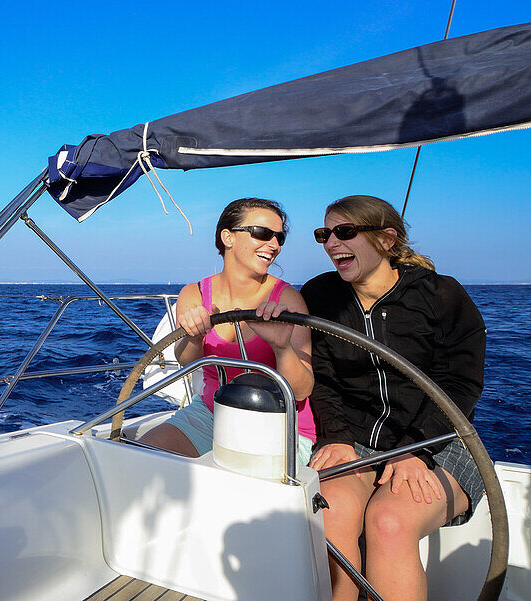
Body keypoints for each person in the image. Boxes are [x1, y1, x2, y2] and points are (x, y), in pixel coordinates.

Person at [302, 195, 486, 601]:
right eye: (324, 234)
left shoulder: (441, 296)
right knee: (329, 513)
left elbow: (461, 385)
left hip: (439, 441)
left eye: (345, 232)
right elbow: (325, 379)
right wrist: (334, 437)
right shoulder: (320, 295)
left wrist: (412, 449)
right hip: (356, 437)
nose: (332, 243)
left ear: (387, 240)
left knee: (389, 521)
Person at [142, 197, 317, 466]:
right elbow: (188, 361)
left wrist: (282, 348)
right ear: (228, 237)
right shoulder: (195, 294)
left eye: (279, 238)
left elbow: (302, 391)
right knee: (143, 457)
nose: (274, 246)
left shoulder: (288, 300)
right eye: (263, 233)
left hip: (279, 421)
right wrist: (195, 335)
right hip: (213, 413)